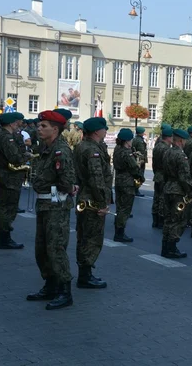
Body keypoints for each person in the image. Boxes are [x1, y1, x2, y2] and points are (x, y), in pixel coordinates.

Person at [26, 110, 77, 310]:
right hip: (44, 205)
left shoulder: (61, 151)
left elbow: (66, 181)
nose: (39, 128)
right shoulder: (46, 149)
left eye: (44, 126)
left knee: (55, 249)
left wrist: (67, 189)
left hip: (56, 206)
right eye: (39, 126)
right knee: (42, 249)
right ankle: (50, 285)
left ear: (55, 129)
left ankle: (65, 291)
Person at [73, 117, 111, 289]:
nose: (106, 132)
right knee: (92, 238)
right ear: (97, 131)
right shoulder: (92, 151)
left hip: (83, 197)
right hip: (92, 200)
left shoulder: (81, 146)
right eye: (104, 129)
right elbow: (97, 179)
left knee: (83, 236)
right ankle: (85, 275)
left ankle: (84, 272)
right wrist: (103, 203)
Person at [0, 112, 32, 249]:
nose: (18, 124)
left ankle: (4, 237)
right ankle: (4, 239)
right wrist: (26, 156)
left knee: (5, 207)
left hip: (6, 176)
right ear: (11, 123)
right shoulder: (6, 138)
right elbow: (14, 157)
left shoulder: (1, 135)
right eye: (17, 122)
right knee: (8, 208)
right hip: (9, 176)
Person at [160, 129, 192, 258]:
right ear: (181, 140)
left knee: (168, 219)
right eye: (184, 140)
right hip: (178, 191)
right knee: (178, 220)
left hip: (168, 187)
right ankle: (172, 248)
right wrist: (190, 193)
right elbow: (184, 177)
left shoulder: (167, 152)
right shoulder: (181, 155)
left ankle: (165, 247)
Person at [113, 128, 144, 243]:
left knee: (119, 207)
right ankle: (120, 233)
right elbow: (134, 168)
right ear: (127, 141)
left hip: (119, 180)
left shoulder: (117, 149)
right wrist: (141, 177)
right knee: (125, 209)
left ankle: (118, 231)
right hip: (127, 182)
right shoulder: (126, 153)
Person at [151, 126, 173, 228]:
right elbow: (168, 165)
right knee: (162, 199)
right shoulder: (166, 149)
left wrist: (156, 172)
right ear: (168, 137)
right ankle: (160, 220)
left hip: (158, 174)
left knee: (156, 198)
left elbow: (154, 163)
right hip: (164, 176)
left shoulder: (157, 146)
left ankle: (155, 219)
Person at [131, 126, 147, 197]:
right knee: (139, 175)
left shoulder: (134, 139)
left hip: (136, 160)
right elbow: (141, 151)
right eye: (143, 132)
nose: (144, 133)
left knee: (136, 175)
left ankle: (135, 189)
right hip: (140, 161)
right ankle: (136, 190)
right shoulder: (139, 141)